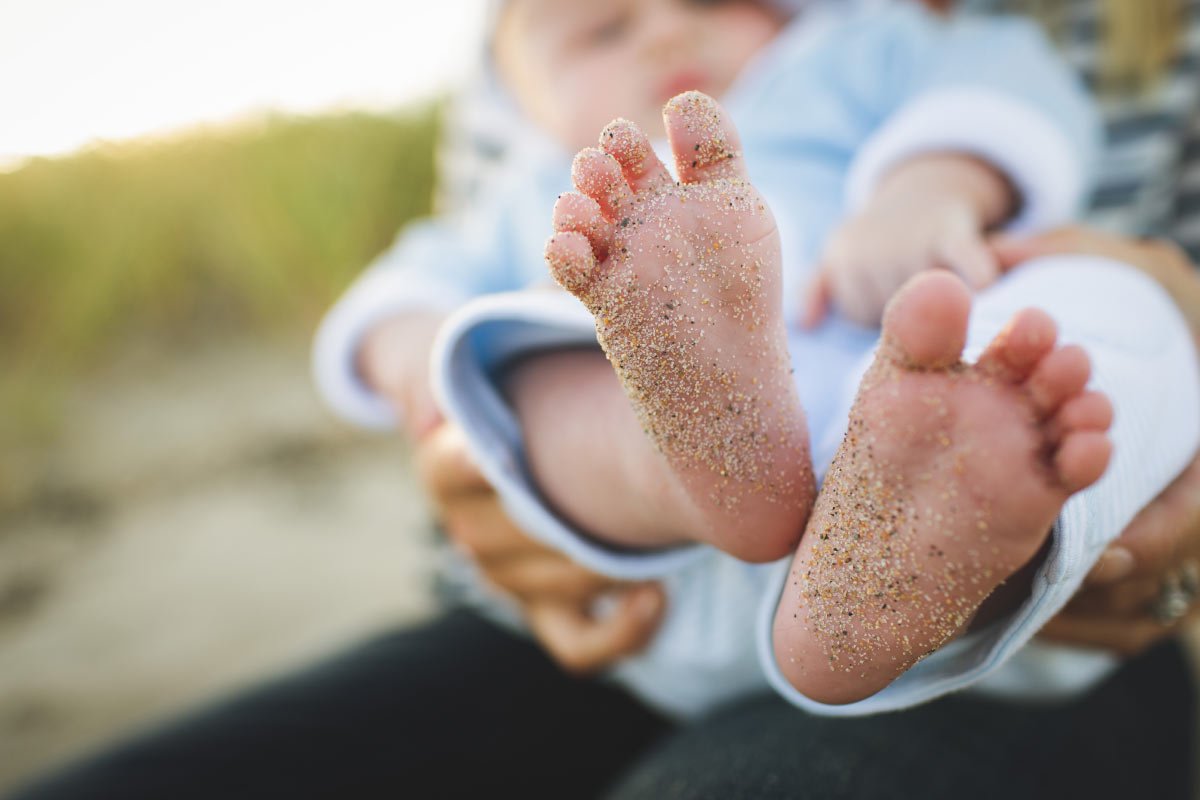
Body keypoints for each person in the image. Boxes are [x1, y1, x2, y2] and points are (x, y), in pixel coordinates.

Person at [11, 0, 1200, 797]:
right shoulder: (547, 184)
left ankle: (901, 531)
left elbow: (1000, 81)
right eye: (603, 28)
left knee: (1098, 295)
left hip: (996, 578)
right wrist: (440, 384)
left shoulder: (853, 55)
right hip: (643, 579)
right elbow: (390, 309)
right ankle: (700, 453)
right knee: (524, 351)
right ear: (516, 93)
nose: (667, 29)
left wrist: (928, 184)